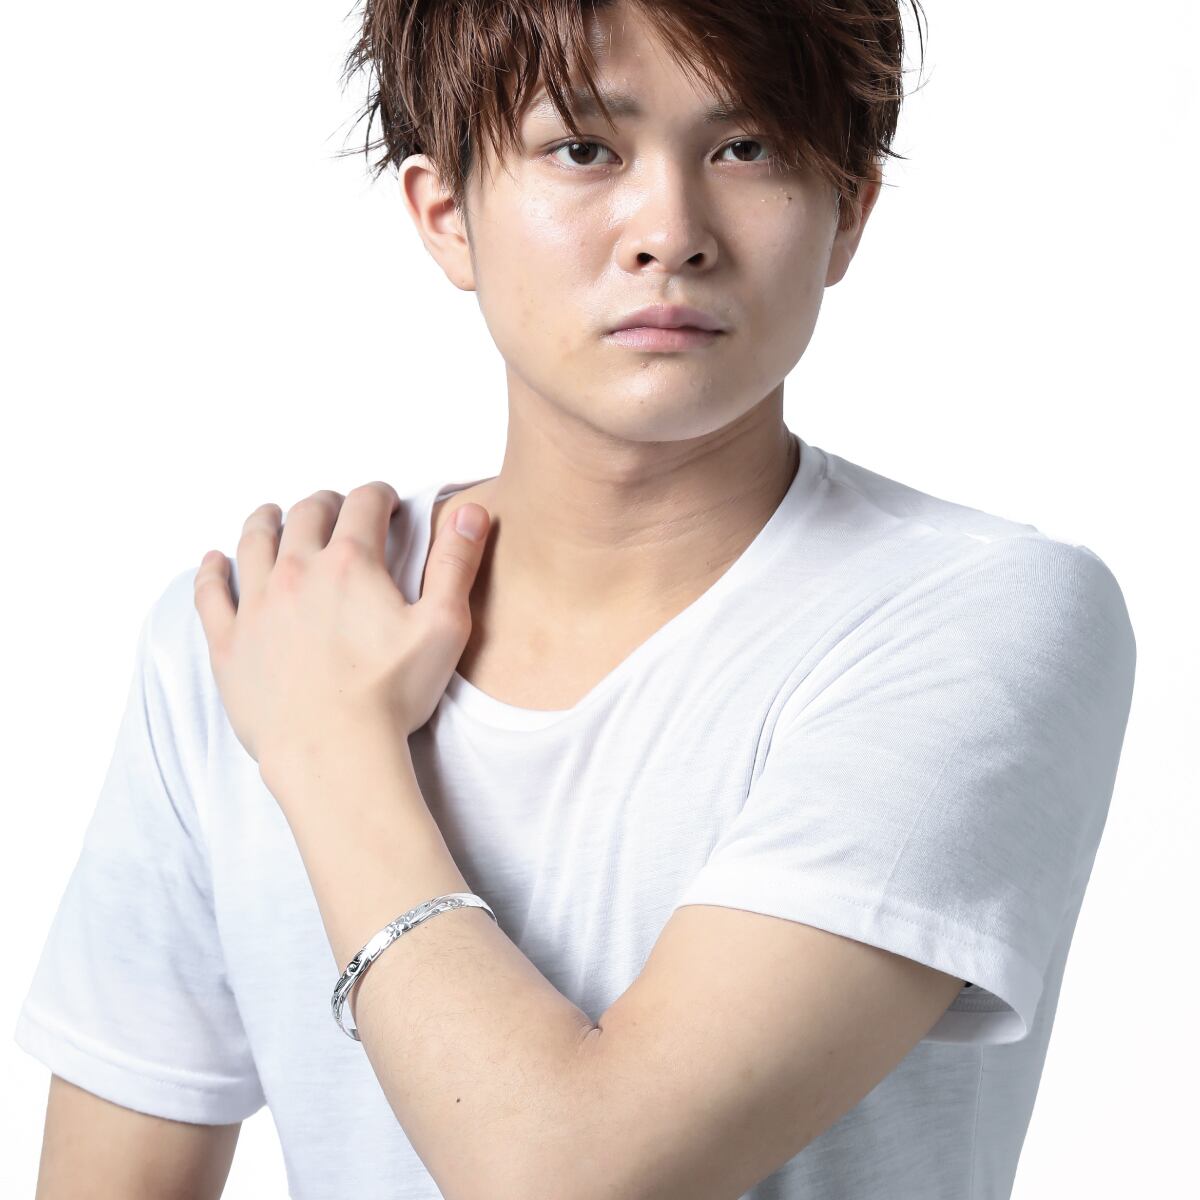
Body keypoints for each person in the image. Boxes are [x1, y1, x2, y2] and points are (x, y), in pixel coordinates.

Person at [16, 2, 1137, 1198]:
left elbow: (575, 1178)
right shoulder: (265, 626)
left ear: (847, 211)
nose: (671, 233)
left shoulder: (976, 615)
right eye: (584, 148)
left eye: (746, 146)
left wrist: (328, 749)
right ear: (445, 214)